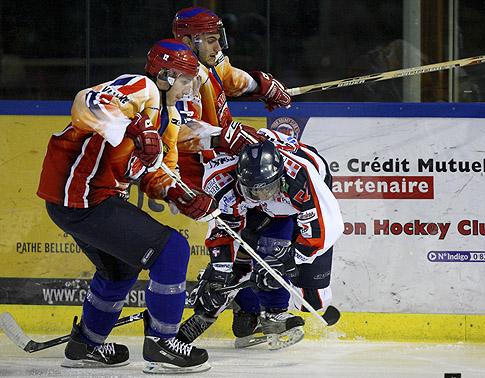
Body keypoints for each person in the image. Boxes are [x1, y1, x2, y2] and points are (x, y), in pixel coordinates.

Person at [36, 39, 218, 374]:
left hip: (82, 202)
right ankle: (163, 343)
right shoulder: (142, 89)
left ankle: (87, 345)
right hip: (82, 197)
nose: (191, 87)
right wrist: (133, 127)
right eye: (185, 79)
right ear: (165, 75)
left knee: (119, 270)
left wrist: (186, 198)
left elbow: (157, 177)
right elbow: (87, 101)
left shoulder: (170, 120)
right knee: (173, 250)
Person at [176, 135, 343, 350]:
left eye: (267, 189)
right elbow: (224, 233)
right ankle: (252, 312)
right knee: (243, 258)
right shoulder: (221, 181)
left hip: (295, 205)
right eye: (255, 190)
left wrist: (292, 258)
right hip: (256, 210)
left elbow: (327, 227)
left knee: (312, 300)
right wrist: (219, 272)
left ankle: (266, 308)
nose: (263, 194)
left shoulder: (300, 175)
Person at [170, 6, 293, 190]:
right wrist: (223, 136)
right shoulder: (182, 76)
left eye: (218, 40)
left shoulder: (207, 59)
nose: (218, 47)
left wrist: (261, 86)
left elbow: (229, 77)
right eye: (211, 41)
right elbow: (179, 132)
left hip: (219, 158)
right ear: (188, 42)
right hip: (197, 175)